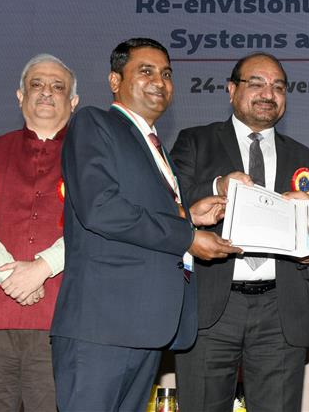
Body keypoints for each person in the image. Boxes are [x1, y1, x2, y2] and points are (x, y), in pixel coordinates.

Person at [50, 38, 238, 411]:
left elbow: (141, 209)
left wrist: (189, 214)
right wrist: (188, 236)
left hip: (145, 327)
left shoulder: (154, 146)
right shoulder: (94, 123)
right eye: (146, 71)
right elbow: (101, 209)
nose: (159, 82)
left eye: (166, 74)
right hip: (102, 327)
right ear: (114, 80)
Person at [170, 52, 309, 412]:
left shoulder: (306, 158)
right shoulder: (195, 141)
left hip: (280, 310)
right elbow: (169, 200)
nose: (268, 94)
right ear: (231, 89)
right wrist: (217, 185)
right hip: (211, 307)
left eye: (278, 87)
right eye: (256, 83)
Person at [0, 54, 78, 412]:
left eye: (58, 86)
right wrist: (11, 274)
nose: (46, 92)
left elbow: (96, 224)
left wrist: (42, 267)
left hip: (63, 319)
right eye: (36, 84)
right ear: (20, 96)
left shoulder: (91, 156)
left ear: (73, 102)